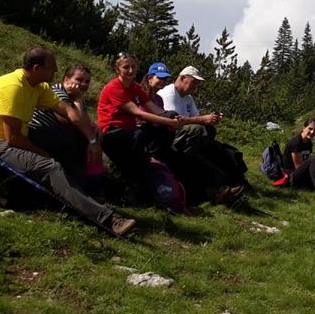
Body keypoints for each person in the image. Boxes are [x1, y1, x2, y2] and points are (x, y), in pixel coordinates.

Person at [0, 47, 135, 235]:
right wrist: (43, 154)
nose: (55, 72)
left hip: (16, 137)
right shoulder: (13, 88)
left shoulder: (38, 87)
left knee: (75, 136)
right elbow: (12, 138)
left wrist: (92, 140)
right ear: (37, 68)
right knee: (51, 166)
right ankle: (107, 219)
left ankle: (75, 198)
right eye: (52, 68)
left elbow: (68, 111)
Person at [98, 53, 237, 206]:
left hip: (132, 130)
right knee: (150, 134)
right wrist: (171, 122)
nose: (131, 70)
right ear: (117, 69)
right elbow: (139, 113)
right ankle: (137, 184)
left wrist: (172, 119)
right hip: (113, 131)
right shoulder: (115, 88)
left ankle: (208, 186)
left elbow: (156, 110)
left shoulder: (136, 88)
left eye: (133, 67)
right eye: (126, 67)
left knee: (174, 123)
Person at [28, 63, 102, 190]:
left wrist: (93, 133)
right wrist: (78, 99)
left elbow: (86, 123)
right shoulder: (57, 91)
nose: (83, 84)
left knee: (90, 134)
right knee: (80, 137)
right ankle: (77, 186)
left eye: (87, 81)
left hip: (55, 135)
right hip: (37, 133)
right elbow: (69, 120)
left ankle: (89, 182)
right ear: (66, 80)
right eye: (79, 80)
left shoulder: (76, 96)